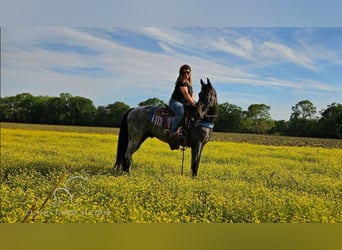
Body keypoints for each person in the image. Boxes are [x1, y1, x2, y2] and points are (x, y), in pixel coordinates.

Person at [169, 64, 196, 139]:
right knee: (180, 111)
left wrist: (194, 103)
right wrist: (192, 103)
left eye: (188, 72)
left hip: (185, 103)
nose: (186, 74)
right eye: (184, 72)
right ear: (181, 73)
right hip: (175, 102)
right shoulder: (182, 82)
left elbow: (191, 96)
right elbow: (186, 95)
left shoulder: (189, 84)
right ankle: (172, 132)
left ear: (190, 73)